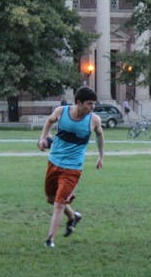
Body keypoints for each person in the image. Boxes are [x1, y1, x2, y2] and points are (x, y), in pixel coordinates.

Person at [37, 86, 104, 248]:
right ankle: (73, 217)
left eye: (93, 104)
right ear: (79, 103)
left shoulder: (94, 120)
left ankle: (50, 239)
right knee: (51, 199)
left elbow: (100, 135)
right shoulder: (62, 112)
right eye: (89, 104)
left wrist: (101, 156)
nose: (92, 107)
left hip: (73, 168)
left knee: (59, 204)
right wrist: (43, 138)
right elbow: (49, 121)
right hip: (54, 161)